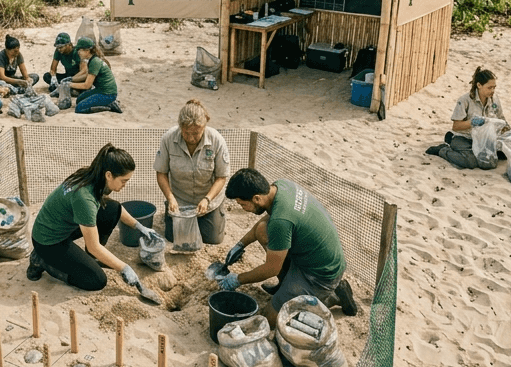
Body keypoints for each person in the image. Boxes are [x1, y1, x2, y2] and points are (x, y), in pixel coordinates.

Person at [217, 168, 357, 326]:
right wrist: (240, 244)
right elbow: (262, 226)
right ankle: (287, 285)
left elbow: (271, 269)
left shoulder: (281, 222)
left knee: (269, 319)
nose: (243, 208)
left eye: (243, 204)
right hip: (312, 256)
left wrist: (238, 279)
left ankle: (332, 297)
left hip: (320, 275)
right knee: (263, 229)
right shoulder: (281, 187)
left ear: (256, 198)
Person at [26, 144, 162, 301]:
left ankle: (92, 258)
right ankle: (42, 261)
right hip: (48, 241)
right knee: (96, 280)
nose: (124, 185)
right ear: (109, 175)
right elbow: (93, 245)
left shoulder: (93, 177)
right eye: (123, 181)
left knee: (112, 209)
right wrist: (124, 268)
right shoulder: (84, 198)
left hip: (60, 224)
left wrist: (139, 226)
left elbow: (114, 209)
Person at [155, 100, 231, 245]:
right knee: (174, 238)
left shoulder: (217, 140)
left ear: (204, 126)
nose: (190, 138)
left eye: (196, 133)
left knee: (212, 239)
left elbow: (221, 177)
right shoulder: (168, 139)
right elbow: (161, 173)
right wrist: (170, 198)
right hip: (180, 200)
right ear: (180, 127)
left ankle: (216, 216)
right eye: (186, 133)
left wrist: (207, 199)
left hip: (208, 200)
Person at [426, 67, 505, 169]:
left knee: (492, 160)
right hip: (464, 137)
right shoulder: (465, 100)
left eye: (494, 87)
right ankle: (443, 150)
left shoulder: (495, 99)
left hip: (484, 139)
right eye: (489, 88)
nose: (493, 91)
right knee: (471, 162)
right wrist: (472, 122)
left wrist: (506, 132)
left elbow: (501, 119)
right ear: (479, 85)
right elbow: (456, 126)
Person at [68, 37, 122, 114]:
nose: (78, 52)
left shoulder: (94, 62)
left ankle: (109, 106)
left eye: (79, 50)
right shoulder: (93, 59)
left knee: (79, 108)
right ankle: (106, 102)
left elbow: (87, 86)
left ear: (87, 51)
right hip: (101, 90)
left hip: (107, 94)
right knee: (79, 100)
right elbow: (87, 76)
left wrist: (70, 85)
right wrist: (71, 79)